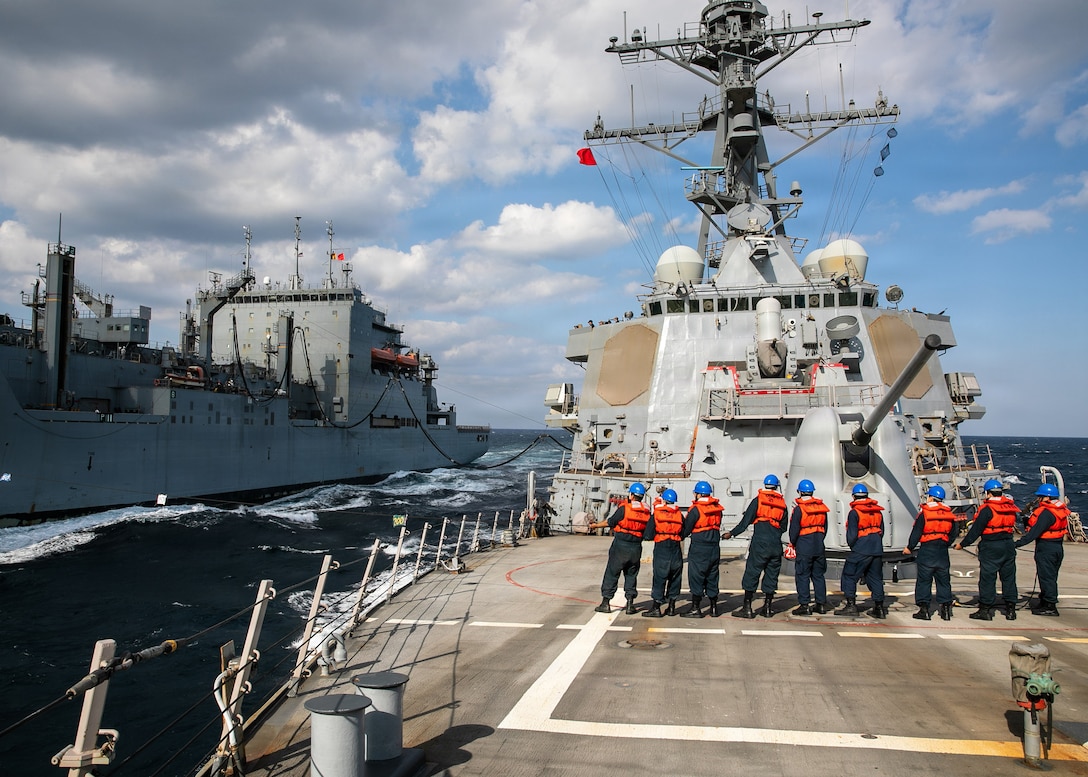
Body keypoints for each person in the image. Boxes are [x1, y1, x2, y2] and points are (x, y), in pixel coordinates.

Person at [723, 474, 788, 618]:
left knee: (752, 573)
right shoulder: (782, 504)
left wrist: (731, 534)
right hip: (776, 545)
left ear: (765, 485)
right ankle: (768, 608)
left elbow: (745, 522)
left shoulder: (758, 501)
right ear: (777, 486)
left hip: (760, 543)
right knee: (771, 575)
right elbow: (784, 527)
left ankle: (747, 608)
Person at [954, 479, 1020, 620]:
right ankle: (1010, 610)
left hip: (991, 546)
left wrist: (962, 544)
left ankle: (985, 610)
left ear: (988, 493)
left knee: (988, 579)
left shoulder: (987, 509)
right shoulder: (1010, 507)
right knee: (1009, 578)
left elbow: (976, 530)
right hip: (1008, 544)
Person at [588, 483, 651, 614]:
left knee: (612, 573)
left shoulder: (624, 509)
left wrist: (595, 526)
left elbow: (610, 522)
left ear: (631, 495)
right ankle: (630, 604)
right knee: (631, 575)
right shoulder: (646, 511)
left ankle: (606, 603)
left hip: (621, 545)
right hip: (636, 547)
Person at [903, 485, 959, 620]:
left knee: (924, 581)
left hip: (928, 550)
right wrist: (946, 543)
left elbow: (916, 532)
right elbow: (954, 533)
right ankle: (945, 611)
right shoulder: (949, 514)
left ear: (931, 497)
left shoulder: (925, 514)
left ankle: (924, 610)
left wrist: (909, 547)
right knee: (944, 581)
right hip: (942, 551)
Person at [1015, 483, 1071, 616]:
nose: (1038, 500)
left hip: (1046, 547)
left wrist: (1016, 544)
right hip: (1057, 546)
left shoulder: (1046, 513)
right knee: (1050, 576)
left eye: (1040, 497)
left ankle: (1050, 606)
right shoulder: (1059, 510)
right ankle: (1045, 601)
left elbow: (1034, 533)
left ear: (1046, 498)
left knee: (1047, 577)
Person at [835, 484, 886, 618]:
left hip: (861, 548)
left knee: (849, 575)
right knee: (875, 577)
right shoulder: (877, 511)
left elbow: (852, 535)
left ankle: (851, 605)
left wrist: (855, 547)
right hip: (877, 548)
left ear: (853, 496)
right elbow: (882, 530)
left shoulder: (855, 512)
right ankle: (879, 607)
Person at [681, 480, 723, 617]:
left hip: (699, 547)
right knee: (712, 576)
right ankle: (714, 607)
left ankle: (695, 608)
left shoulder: (696, 509)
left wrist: (678, 535)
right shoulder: (717, 509)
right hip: (714, 547)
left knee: (696, 576)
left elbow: (686, 529)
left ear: (698, 494)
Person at [789, 479, 830, 615]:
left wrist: (793, 543)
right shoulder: (821, 508)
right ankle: (821, 604)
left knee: (802, 575)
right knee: (818, 575)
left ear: (800, 492)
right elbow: (825, 528)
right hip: (819, 545)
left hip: (804, 545)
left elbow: (794, 530)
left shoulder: (799, 509)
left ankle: (804, 605)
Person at [642, 488, 684, 617]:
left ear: (663, 501)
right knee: (675, 578)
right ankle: (671, 607)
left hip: (662, 547)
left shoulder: (657, 515)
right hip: (676, 548)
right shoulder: (680, 515)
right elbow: (683, 533)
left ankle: (656, 607)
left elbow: (648, 535)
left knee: (660, 578)